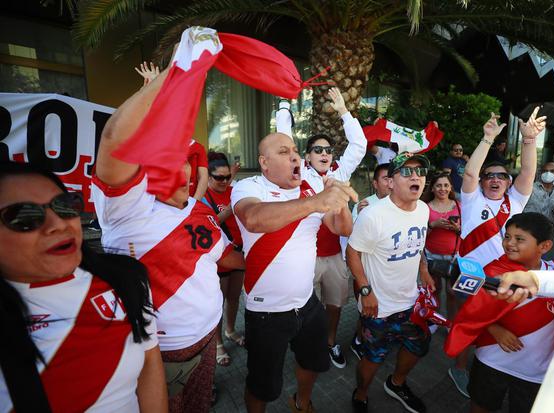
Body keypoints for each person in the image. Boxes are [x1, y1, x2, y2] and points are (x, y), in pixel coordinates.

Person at [93, 63, 245, 412]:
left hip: (207, 338)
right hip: (158, 354)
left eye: (179, 156)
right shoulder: (126, 208)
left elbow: (223, 257)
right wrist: (174, 73)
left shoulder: (199, 208)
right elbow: (115, 139)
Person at [0, 162, 167, 413]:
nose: (59, 224)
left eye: (64, 206)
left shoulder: (126, 276)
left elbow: (149, 358)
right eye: (24, 216)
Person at [231, 131, 357, 413]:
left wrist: (340, 202)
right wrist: (316, 201)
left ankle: (302, 403)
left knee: (313, 363)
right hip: (266, 311)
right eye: (284, 152)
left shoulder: (311, 185)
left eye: (296, 152)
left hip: (307, 302)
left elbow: (341, 229)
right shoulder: (248, 186)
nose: (295, 156)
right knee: (262, 385)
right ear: (264, 162)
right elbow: (253, 219)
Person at [451, 107, 544, 396]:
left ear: (508, 182)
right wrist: (487, 138)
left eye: (502, 176)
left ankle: (490, 365)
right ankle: (459, 368)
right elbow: (468, 171)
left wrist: (529, 141)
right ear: (481, 181)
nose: (495, 180)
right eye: (489, 176)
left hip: (503, 277)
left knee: (498, 324)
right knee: (465, 323)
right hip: (469, 274)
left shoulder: (515, 201)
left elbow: (528, 171)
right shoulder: (471, 199)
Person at [446, 212, 554, 413]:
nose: (509, 243)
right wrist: (494, 329)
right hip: (492, 359)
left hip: (536, 369)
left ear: (545, 246)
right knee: (481, 405)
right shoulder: (493, 272)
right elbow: (471, 313)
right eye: (507, 236)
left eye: (519, 239)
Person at [278, 87, 366, 369]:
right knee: (304, 305)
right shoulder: (299, 174)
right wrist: (282, 103)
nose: (325, 153)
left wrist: (343, 110)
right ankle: (308, 344)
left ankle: (329, 342)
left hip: (335, 258)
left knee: (335, 304)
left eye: (328, 150)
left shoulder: (339, 175)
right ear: (306, 156)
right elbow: (283, 141)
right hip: (305, 257)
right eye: (318, 150)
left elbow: (359, 145)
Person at [347, 152, 435, 413]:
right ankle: (361, 394)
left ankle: (396, 383)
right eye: (407, 172)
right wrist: (366, 291)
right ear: (391, 182)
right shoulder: (374, 215)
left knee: (418, 346)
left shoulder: (423, 209)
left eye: (420, 172)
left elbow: (417, 244)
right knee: (373, 358)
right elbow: (352, 253)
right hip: (379, 307)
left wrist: (425, 271)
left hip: (411, 301)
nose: (415, 177)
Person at [201, 152, 245, 366]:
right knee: (218, 302)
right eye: (219, 178)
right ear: (208, 178)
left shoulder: (234, 190)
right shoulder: (203, 198)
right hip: (219, 257)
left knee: (235, 297)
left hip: (239, 252)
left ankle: (230, 330)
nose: (224, 181)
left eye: (227, 177)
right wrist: (231, 209)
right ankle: (217, 343)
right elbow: (209, 225)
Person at [349, 162, 391, 360]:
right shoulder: (365, 204)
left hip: (390, 273)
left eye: (393, 178)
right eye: (385, 179)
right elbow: (350, 238)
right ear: (375, 183)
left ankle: (380, 337)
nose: (390, 183)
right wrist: (358, 212)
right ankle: (358, 341)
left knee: (384, 312)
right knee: (365, 311)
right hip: (367, 273)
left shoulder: (402, 204)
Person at [421, 172, 461, 325]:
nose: (442, 189)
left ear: (451, 187)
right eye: (438, 185)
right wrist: (433, 225)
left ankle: (451, 324)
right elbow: (419, 235)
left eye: (446, 185)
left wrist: (457, 229)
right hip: (432, 256)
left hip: (454, 256)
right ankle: (435, 321)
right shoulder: (424, 207)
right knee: (434, 291)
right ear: (432, 188)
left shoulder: (458, 205)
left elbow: (466, 231)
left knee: (452, 293)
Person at [523, 162, 554, 230]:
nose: (548, 173)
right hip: (528, 228)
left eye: (552, 171)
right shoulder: (530, 188)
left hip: (549, 229)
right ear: (541, 173)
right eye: (545, 171)